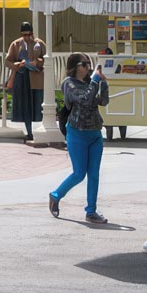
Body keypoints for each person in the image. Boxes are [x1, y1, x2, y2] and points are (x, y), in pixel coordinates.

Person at [49, 53, 111, 224]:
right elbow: (84, 100)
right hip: (77, 134)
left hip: (95, 134)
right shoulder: (68, 84)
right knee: (79, 173)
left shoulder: (89, 83)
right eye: (84, 64)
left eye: (89, 64)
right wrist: (94, 82)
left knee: (94, 174)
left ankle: (91, 211)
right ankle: (55, 195)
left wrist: (103, 83)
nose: (88, 68)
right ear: (75, 66)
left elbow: (103, 101)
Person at [5, 21, 46, 141]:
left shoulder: (39, 44)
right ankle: (29, 132)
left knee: (37, 106)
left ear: (32, 33)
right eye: (24, 35)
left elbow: (46, 59)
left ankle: (40, 129)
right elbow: (7, 61)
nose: (27, 37)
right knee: (25, 107)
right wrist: (17, 65)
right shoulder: (16, 44)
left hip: (36, 79)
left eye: (29, 34)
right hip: (22, 78)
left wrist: (37, 62)